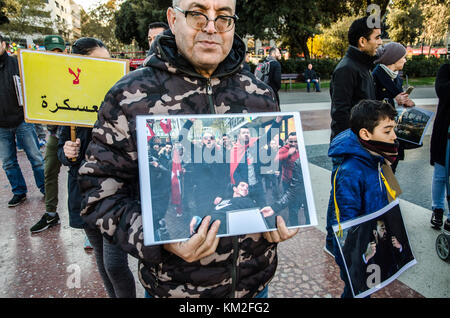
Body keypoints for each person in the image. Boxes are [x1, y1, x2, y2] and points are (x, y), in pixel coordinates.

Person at [78, 0, 297, 298]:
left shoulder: (259, 94)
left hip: (255, 286)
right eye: (197, 14)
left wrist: (283, 215)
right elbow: (97, 194)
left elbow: (271, 177)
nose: (210, 27)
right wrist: (161, 240)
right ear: (173, 18)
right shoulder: (129, 97)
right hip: (174, 289)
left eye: (223, 17)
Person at [58, 37, 137, 298]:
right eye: (98, 63)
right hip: (83, 194)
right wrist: (67, 152)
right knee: (102, 261)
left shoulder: (120, 101)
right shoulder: (69, 102)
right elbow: (62, 149)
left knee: (115, 263)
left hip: (116, 195)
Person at [327, 99, 402, 298]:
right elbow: (345, 223)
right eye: (387, 131)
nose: (394, 137)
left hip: (372, 241)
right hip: (357, 250)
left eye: (393, 129)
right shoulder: (350, 171)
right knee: (356, 292)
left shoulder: (376, 158)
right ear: (365, 134)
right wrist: (353, 259)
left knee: (364, 291)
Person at [325, 16, 383, 255]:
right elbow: (340, 115)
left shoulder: (363, 67)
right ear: (362, 41)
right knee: (340, 197)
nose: (380, 42)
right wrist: (357, 143)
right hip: (350, 148)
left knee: (351, 196)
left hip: (364, 146)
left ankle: (351, 239)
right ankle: (332, 242)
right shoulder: (347, 69)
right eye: (377, 37)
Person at [0, 33, 45, 207]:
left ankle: (45, 188)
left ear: (3, 44)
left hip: (22, 120)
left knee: (36, 158)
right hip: (2, 125)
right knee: (8, 162)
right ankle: (19, 192)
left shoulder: (17, 63)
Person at [29, 35, 66, 233]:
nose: (56, 55)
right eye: (52, 51)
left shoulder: (73, 73)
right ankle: (51, 213)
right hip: (55, 134)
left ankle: (89, 224)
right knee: (49, 170)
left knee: (81, 176)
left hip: (75, 135)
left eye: (59, 51)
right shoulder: (41, 74)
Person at [372, 41, 415, 173]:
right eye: (403, 57)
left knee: (391, 170)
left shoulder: (396, 78)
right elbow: (371, 105)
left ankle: (390, 193)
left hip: (394, 133)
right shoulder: (376, 76)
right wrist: (393, 100)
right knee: (381, 172)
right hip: (380, 135)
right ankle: (386, 193)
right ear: (394, 59)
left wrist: (407, 103)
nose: (405, 60)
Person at [430, 63, 450, 231]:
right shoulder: (445, 70)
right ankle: (437, 209)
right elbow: (444, 92)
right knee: (440, 175)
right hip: (445, 131)